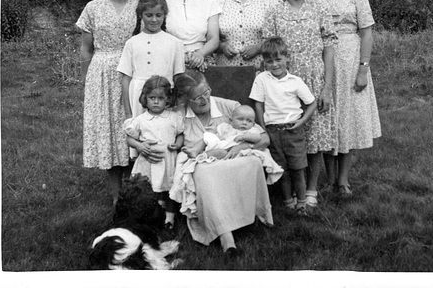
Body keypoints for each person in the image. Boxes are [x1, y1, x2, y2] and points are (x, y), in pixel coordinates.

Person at [169, 72, 274, 256]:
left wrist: (242, 145)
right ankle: (227, 237)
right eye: (197, 98)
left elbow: (264, 139)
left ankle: (248, 217)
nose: (204, 100)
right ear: (185, 99)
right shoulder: (178, 115)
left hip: (234, 157)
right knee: (204, 173)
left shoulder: (230, 107)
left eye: (206, 92)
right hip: (203, 163)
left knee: (252, 162)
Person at [262, 0, 337, 208]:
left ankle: (312, 189)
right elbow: (268, 48)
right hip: (283, 80)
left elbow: (329, 48)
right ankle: (290, 191)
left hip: (314, 77)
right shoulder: (274, 11)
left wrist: (327, 86)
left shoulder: (319, 9)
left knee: (314, 135)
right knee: (288, 133)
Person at [313, 0, 382, 195]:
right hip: (322, 61)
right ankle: (329, 179)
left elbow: (366, 31)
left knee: (347, 120)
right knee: (326, 119)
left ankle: (343, 181)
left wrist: (363, 68)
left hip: (351, 59)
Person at [76, 0, 144, 207]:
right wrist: (86, 81)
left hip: (133, 72)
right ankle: (117, 196)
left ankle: (134, 189)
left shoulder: (139, 6)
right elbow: (86, 49)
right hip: (102, 73)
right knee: (108, 131)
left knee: (132, 126)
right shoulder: (93, 7)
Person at [249, 37, 319, 216]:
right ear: (264, 62)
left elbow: (311, 103)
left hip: (293, 131)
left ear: (287, 58)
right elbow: (258, 104)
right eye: (269, 61)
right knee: (282, 170)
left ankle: (302, 203)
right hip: (273, 131)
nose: (274, 64)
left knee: (298, 168)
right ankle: (288, 201)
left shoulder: (295, 81)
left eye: (278, 59)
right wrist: (263, 129)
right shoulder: (262, 79)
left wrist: (301, 122)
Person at [124, 76, 184, 230]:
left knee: (168, 188)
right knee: (151, 189)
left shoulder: (173, 117)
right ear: (145, 99)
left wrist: (177, 144)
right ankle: (154, 215)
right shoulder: (140, 120)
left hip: (168, 160)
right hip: (148, 162)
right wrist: (139, 145)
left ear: (168, 99)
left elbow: (180, 134)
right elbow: (129, 138)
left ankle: (169, 217)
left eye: (160, 98)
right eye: (152, 98)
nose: (156, 102)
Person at [118, 0, 185, 121]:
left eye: (158, 15)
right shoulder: (132, 43)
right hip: (138, 95)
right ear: (141, 15)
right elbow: (125, 79)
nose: (154, 20)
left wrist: (177, 105)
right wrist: (128, 113)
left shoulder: (175, 43)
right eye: (149, 15)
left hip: (164, 96)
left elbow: (178, 78)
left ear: (164, 15)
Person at [163, 0, 220, 72]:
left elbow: (214, 38)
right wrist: (180, 57)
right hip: (170, 61)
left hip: (202, 60)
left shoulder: (209, 2)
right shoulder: (163, 2)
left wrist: (200, 54)